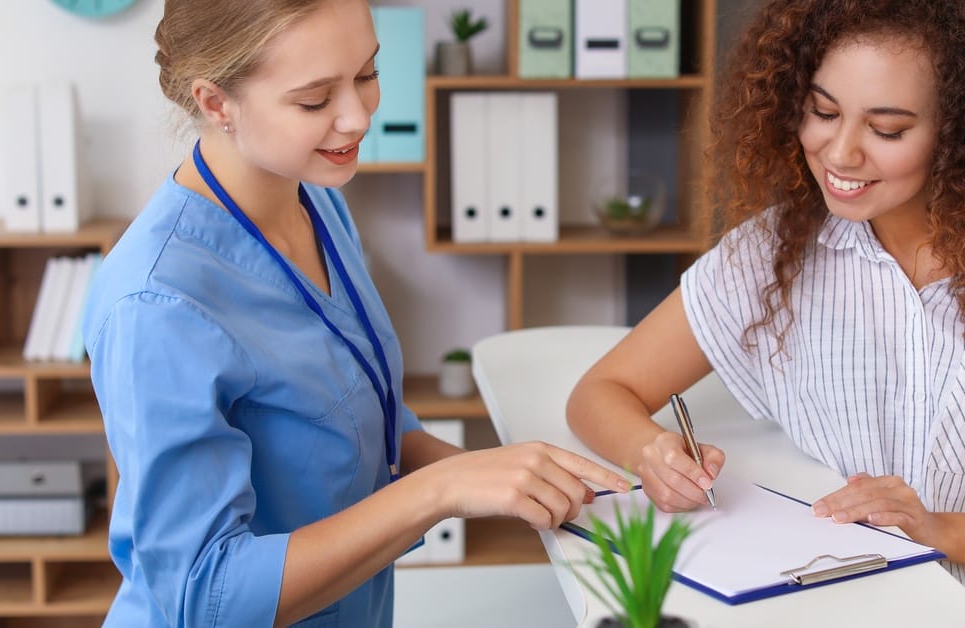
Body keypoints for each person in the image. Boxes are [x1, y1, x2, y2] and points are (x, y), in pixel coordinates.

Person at [566, 1, 965, 626]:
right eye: (822, 111)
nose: (840, 153)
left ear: (963, 131)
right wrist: (652, 451)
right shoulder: (771, 255)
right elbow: (600, 392)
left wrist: (934, 529)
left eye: (887, 129)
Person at [82, 1, 631, 626]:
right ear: (215, 104)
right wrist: (441, 492)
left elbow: (369, 425)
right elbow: (205, 598)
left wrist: (507, 475)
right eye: (315, 100)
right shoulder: (156, 305)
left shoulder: (315, 201)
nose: (359, 116)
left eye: (367, 74)